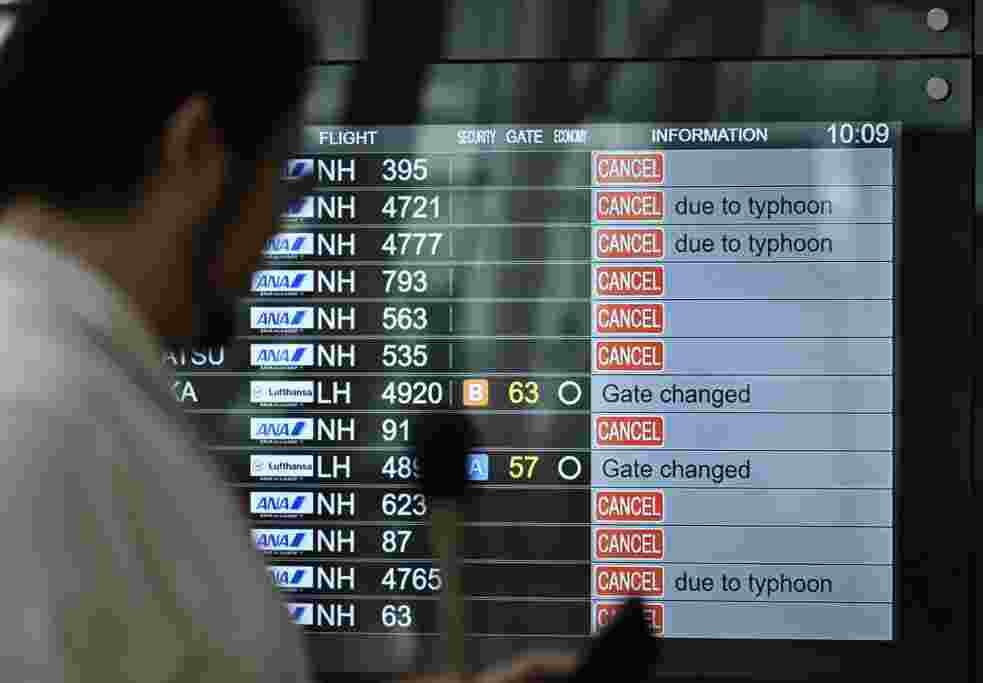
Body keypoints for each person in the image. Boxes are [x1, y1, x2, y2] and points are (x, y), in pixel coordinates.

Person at [0, 4, 574, 682]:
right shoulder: (36, 423)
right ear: (197, 148)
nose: (283, 225)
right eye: (289, 175)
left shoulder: (78, 388)